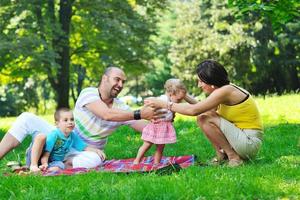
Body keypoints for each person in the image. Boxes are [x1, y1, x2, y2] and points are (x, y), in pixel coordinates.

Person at [0, 66, 155, 168]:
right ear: (104, 78)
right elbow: (106, 115)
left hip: (83, 153)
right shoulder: (88, 93)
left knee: (96, 159)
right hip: (62, 141)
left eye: (123, 82)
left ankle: (56, 164)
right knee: (26, 118)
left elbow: (145, 127)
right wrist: (139, 113)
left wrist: (162, 117)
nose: (120, 85)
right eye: (117, 79)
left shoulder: (122, 108)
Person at [146, 60, 263, 167]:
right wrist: (184, 96)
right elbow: (204, 109)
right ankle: (221, 156)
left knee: (203, 117)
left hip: (249, 143)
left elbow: (194, 110)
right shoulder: (224, 90)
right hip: (241, 140)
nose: (199, 85)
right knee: (203, 117)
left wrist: (163, 104)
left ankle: (234, 158)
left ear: (210, 80)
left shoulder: (225, 91)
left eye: (201, 81)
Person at [27, 108, 106, 172]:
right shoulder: (55, 134)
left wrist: (96, 150)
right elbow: (46, 155)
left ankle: (42, 170)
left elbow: (83, 147)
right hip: (37, 156)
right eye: (66, 120)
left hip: (52, 162)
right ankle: (33, 166)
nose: (70, 122)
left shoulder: (72, 136)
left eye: (72, 119)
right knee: (41, 136)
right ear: (57, 124)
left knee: (58, 168)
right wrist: (44, 163)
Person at [133, 79, 189, 165]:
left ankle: (156, 163)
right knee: (147, 144)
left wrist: (172, 116)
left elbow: (172, 112)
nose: (179, 102)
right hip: (156, 126)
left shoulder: (172, 103)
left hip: (164, 127)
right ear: (171, 94)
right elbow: (148, 102)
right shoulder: (162, 99)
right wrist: (149, 113)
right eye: (178, 100)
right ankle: (136, 161)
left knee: (160, 147)